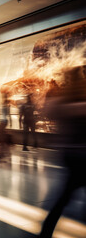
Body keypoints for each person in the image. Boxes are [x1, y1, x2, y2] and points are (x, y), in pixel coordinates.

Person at [39, 66, 86, 238]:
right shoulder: (80, 102)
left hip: (69, 155)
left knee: (64, 196)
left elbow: (48, 111)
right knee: (65, 196)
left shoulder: (61, 102)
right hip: (81, 156)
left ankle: (46, 230)